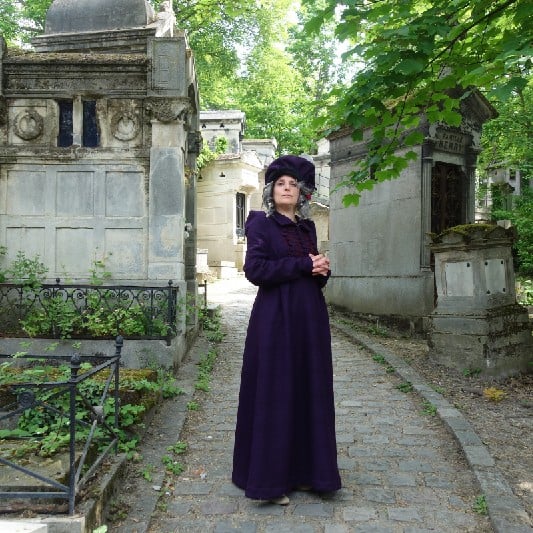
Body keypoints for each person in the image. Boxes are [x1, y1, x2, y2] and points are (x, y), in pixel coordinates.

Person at [232, 155, 342, 505]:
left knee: (308, 389)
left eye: (293, 184)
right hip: (275, 319)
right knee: (276, 391)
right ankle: (271, 480)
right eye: (281, 183)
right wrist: (303, 264)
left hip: (309, 319)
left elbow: (308, 275)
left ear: (302, 193)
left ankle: (307, 473)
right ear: (270, 190)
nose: (287, 188)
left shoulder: (307, 229)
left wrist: (321, 271)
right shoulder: (260, 224)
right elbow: (257, 271)